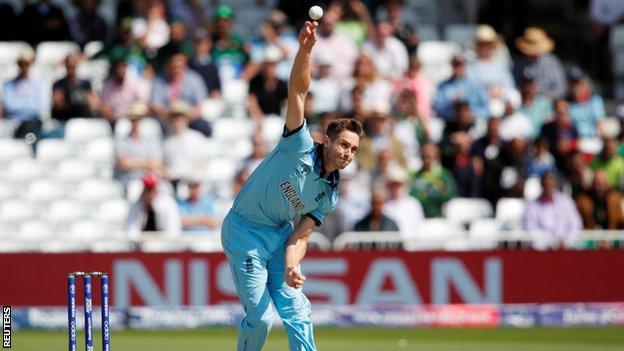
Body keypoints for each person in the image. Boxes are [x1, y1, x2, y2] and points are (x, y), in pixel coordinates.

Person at [221, 21, 363, 351]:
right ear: (326, 140)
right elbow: (298, 92)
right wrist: (306, 48)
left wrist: (291, 265)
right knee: (260, 317)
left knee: (297, 310)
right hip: (244, 231)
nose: (347, 153)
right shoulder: (296, 144)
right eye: (343, 145)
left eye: (353, 149)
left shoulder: (329, 193)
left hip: (280, 234)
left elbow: (300, 236)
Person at [523, 172, 582, 249]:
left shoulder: (567, 202)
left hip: (567, 248)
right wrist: (549, 244)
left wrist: (567, 242)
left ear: (556, 184)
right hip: (543, 250)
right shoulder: (532, 206)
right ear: (542, 185)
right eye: (546, 184)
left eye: (551, 184)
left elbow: (576, 224)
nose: (548, 187)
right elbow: (529, 228)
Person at [0, 48, 46, 140]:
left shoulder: (39, 83)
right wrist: (27, 105)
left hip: (33, 124)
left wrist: (20, 106)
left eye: (27, 63)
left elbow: (39, 108)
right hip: (13, 124)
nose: (24, 66)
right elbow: (10, 106)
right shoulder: (9, 84)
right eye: (21, 63)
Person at [513, 27, 566, 99]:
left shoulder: (552, 62)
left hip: (548, 103)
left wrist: (547, 96)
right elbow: (514, 86)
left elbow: (560, 87)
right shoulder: (518, 64)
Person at [433, 55, 489, 121]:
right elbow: (438, 108)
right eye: (455, 66)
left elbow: (486, 109)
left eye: (460, 66)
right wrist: (452, 107)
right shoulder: (443, 86)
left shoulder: (475, 85)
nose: (458, 69)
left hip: (473, 122)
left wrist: (471, 114)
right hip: (451, 122)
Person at [125, 172, 181, 239]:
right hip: (140, 245)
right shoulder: (136, 205)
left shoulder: (168, 204)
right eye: (147, 189)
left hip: (163, 244)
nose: (149, 193)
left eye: (151, 189)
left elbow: (173, 230)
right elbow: (131, 230)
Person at [409, 143, 457, 217]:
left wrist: (430, 191)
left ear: (437, 157)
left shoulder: (444, 175)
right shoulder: (415, 175)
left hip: (436, 215)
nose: (426, 160)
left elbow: (449, 196)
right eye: (423, 156)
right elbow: (412, 195)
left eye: (429, 157)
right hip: (417, 215)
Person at [52, 54, 100, 122]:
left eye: (73, 66)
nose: (71, 68)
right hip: (64, 119)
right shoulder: (58, 85)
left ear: (77, 66)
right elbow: (59, 104)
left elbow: (93, 103)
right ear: (66, 66)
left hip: (83, 119)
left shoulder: (86, 84)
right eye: (69, 66)